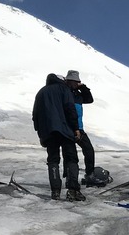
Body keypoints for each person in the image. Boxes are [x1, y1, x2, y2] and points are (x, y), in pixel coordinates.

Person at [31, 73, 84, 201]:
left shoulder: (41, 92)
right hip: (65, 130)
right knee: (71, 159)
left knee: (53, 160)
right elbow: (70, 109)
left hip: (48, 133)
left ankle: (55, 191)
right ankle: (72, 190)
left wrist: (41, 133)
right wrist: (76, 128)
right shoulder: (64, 90)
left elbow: (35, 115)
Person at [64, 70, 96, 185]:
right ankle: (69, 178)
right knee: (70, 154)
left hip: (79, 128)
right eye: (75, 81)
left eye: (78, 82)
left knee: (89, 150)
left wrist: (83, 88)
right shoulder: (65, 93)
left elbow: (89, 99)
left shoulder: (78, 95)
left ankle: (89, 174)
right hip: (68, 128)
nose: (77, 83)